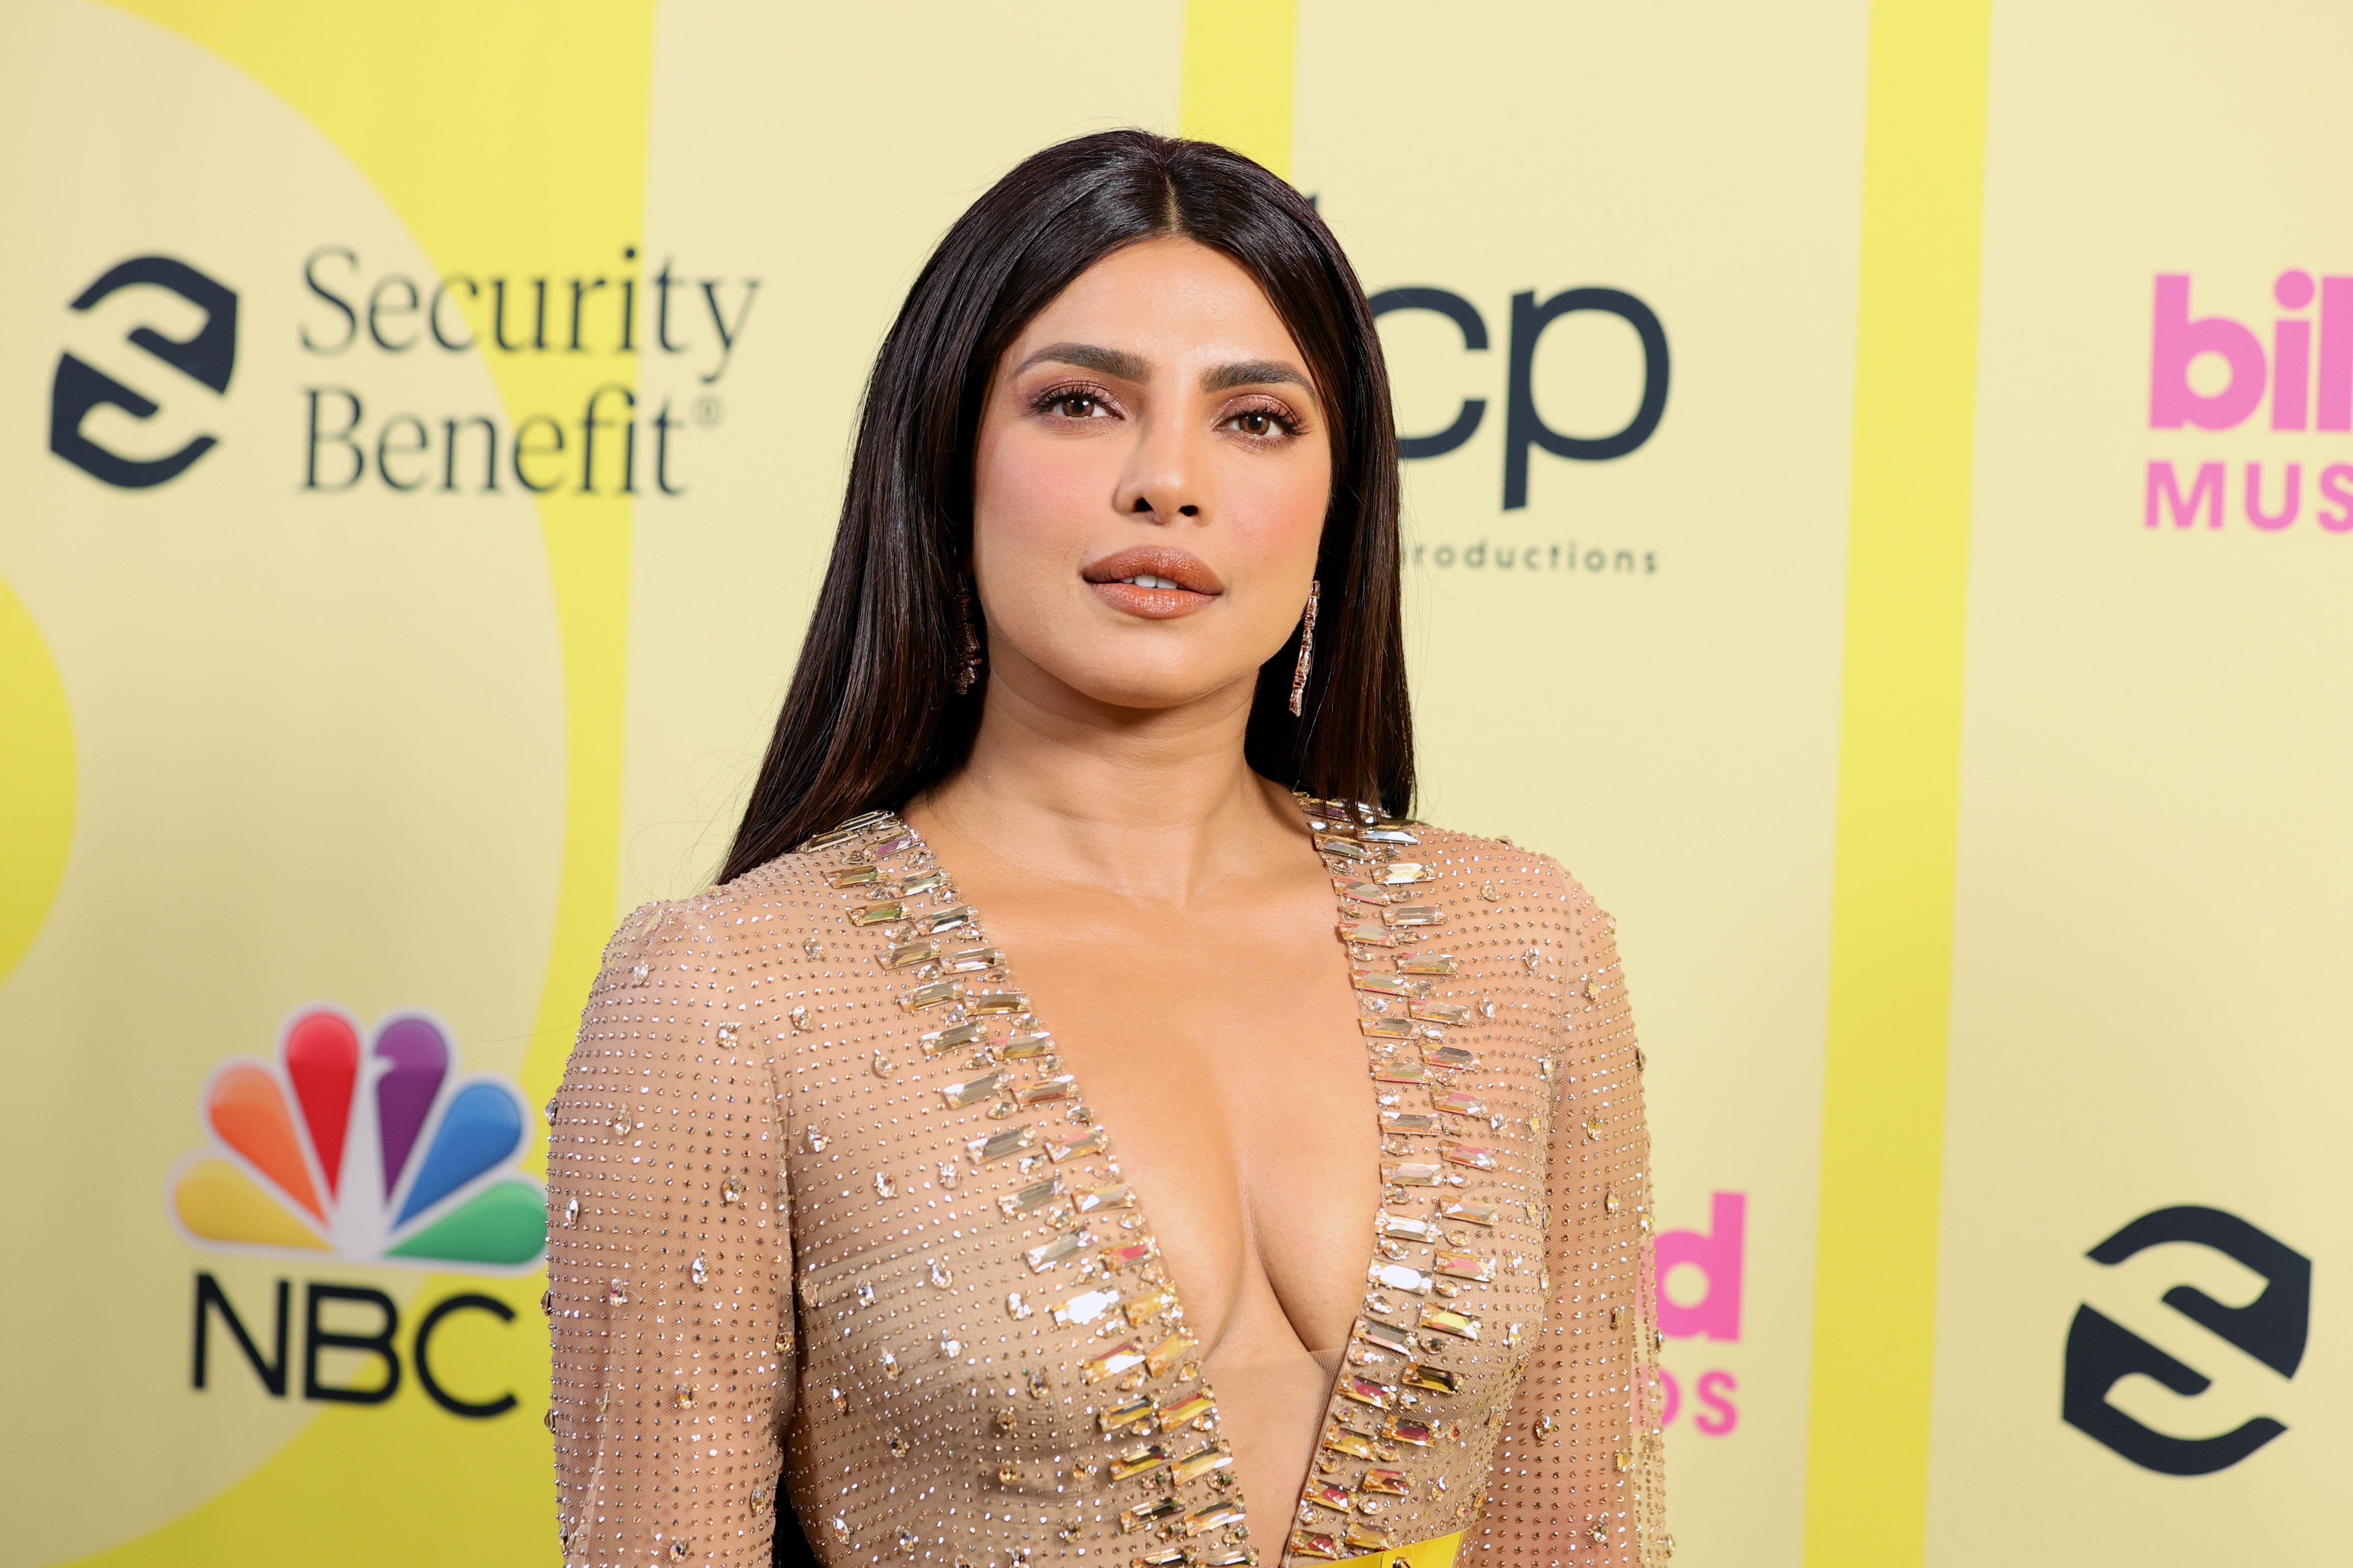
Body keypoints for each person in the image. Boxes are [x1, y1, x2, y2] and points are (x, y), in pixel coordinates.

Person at [544, 129, 1664, 1568]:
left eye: (1257, 419)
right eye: (1080, 403)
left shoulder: (1523, 947)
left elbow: (1579, 1535)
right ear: (949, 463)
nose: (1168, 481)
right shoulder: (730, 994)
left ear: (1339, 510)